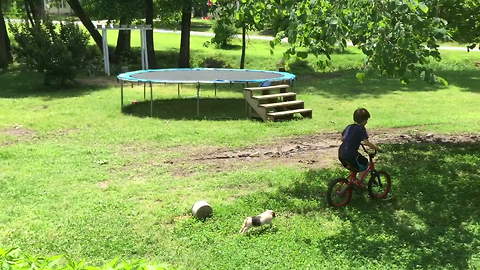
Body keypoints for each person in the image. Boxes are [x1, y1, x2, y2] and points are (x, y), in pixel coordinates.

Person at [338, 108, 380, 182]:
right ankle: (359, 182)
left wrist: (354, 140)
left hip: (341, 153)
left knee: (354, 165)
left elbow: (342, 138)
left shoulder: (349, 126)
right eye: (367, 120)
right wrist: (377, 148)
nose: (367, 121)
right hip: (350, 155)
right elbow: (367, 142)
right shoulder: (361, 129)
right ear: (364, 121)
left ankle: (351, 182)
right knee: (365, 163)